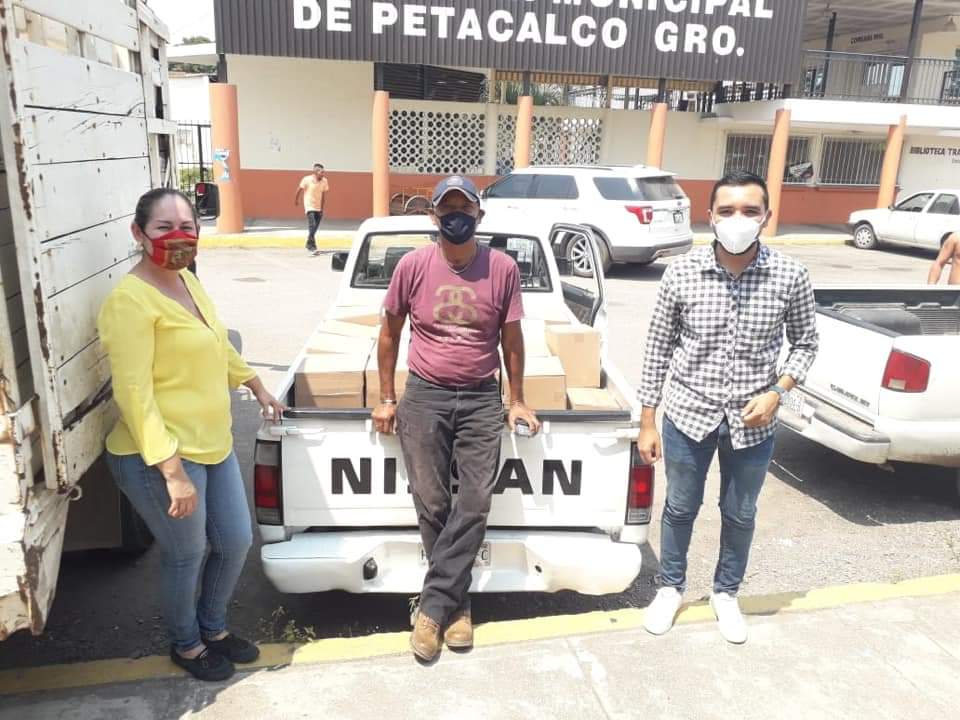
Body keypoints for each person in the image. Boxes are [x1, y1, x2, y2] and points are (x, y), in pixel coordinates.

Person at [98, 188, 286, 682]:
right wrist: (172, 471)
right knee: (186, 553)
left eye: (187, 226)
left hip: (213, 444)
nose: (178, 237)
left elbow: (217, 342)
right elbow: (134, 395)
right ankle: (187, 643)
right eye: (164, 228)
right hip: (161, 457)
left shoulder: (187, 281)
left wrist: (255, 383)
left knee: (236, 541)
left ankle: (214, 629)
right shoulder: (129, 301)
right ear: (139, 234)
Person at [637, 171, 819, 645]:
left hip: (753, 422)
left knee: (740, 512)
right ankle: (671, 587)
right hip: (687, 414)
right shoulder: (681, 273)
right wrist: (647, 421)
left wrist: (778, 391)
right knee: (680, 507)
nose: (738, 219)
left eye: (750, 211)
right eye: (727, 210)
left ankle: (725, 593)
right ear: (711, 217)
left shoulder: (790, 275)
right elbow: (657, 348)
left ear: (766, 217)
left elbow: (805, 344)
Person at [372, 176, 541, 662]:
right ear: (434, 216)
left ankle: (432, 609)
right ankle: (458, 606)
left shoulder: (502, 268)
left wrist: (517, 399)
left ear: (479, 216)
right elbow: (389, 334)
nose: (455, 217)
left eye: (464, 209)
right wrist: (387, 397)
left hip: (481, 398)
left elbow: (512, 340)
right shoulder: (412, 265)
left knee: (474, 500)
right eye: (447, 209)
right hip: (424, 395)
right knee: (431, 500)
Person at [295, 163, 329, 255]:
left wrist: (321, 209)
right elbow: (299, 189)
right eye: (321, 172)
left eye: (323, 172)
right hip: (309, 206)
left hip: (318, 207)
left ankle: (308, 243)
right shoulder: (306, 179)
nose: (323, 174)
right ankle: (312, 246)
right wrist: (296, 200)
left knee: (315, 227)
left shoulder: (325, 181)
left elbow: (323, 196)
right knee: (312, 224)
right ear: (316, 172)